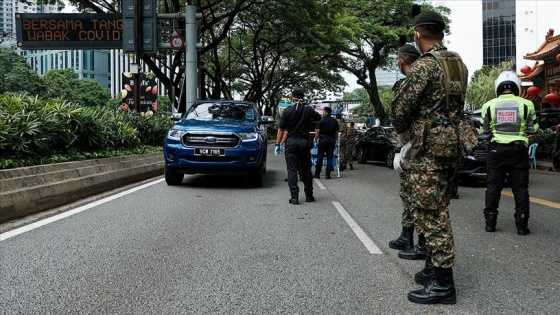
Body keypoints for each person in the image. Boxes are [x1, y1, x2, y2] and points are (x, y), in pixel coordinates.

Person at [391, 11, 468, 304]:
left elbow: (400, 112)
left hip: (429, 148)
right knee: (437, 204)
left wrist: (405, 131)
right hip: (452, 144)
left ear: (417, 34)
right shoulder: (458, 63)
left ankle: (443, 285)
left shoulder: (425, 66)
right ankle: (431, 269)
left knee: (432, 213)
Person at [481, 71, 536, 235]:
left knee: (493, 188)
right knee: (520, 189)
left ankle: (490, 224)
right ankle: (521, 226)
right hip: (518, 151)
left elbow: (484, 129)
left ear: (498, 86)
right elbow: (532, 129)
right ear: (516, 86)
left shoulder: (488, 106)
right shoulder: (527, 105)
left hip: (496, 150)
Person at [389, 44, 426, 261]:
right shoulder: (426, 81)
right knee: (410, 195)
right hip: (421, 145)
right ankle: (407, 235)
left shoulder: (406, 84)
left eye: (397, 60)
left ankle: (420, 242)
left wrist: (398, 148)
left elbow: (399, 121)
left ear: (402, 60)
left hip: (413, 147)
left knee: (416, 196)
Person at [276, 90, 321, 204]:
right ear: (302, 99)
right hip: (304, 142)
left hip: (291, 142)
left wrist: (277, 144)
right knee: (306, 169)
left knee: (292, 169)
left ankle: (294, 197)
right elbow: (319, 118)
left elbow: (281, 129)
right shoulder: (308, 110)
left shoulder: (287, 111)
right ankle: (309, 195)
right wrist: (308, 120)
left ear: (293, 99)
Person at [313, 107, 339, 179]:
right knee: (329, 157)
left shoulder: (321, 120)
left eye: (323, 111)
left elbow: (317, 131)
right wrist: (335, 140)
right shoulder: (334, 121)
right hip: (331, 139)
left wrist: (315, 139)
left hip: (323, 139)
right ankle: (328, 175)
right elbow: (336, 132)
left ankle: (317, 174)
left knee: (320, 157)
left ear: (325, 112)